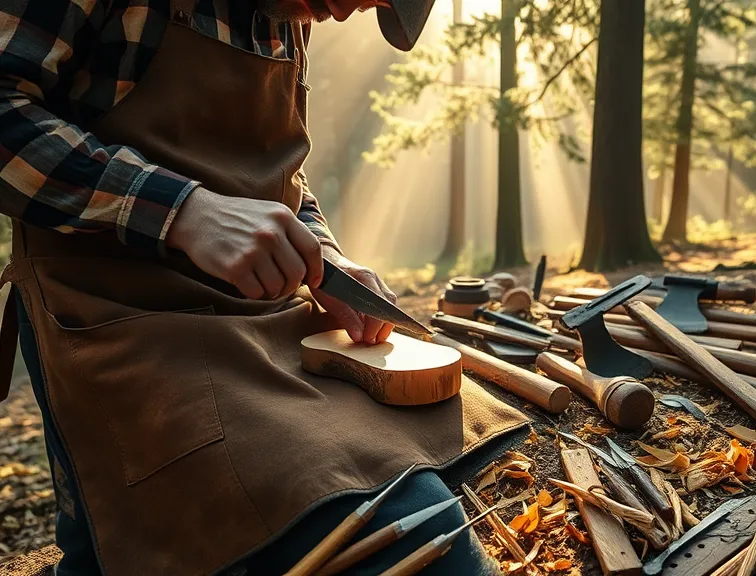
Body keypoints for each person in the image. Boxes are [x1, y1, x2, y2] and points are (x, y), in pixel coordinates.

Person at [0, 1, 529, 574]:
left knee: (414, 463)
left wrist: (322, 253)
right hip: (120, 317)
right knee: (427, 547)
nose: (349, 11)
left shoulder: (297, 15)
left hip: (264, 321)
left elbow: (282, 176)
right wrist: (182, 212)